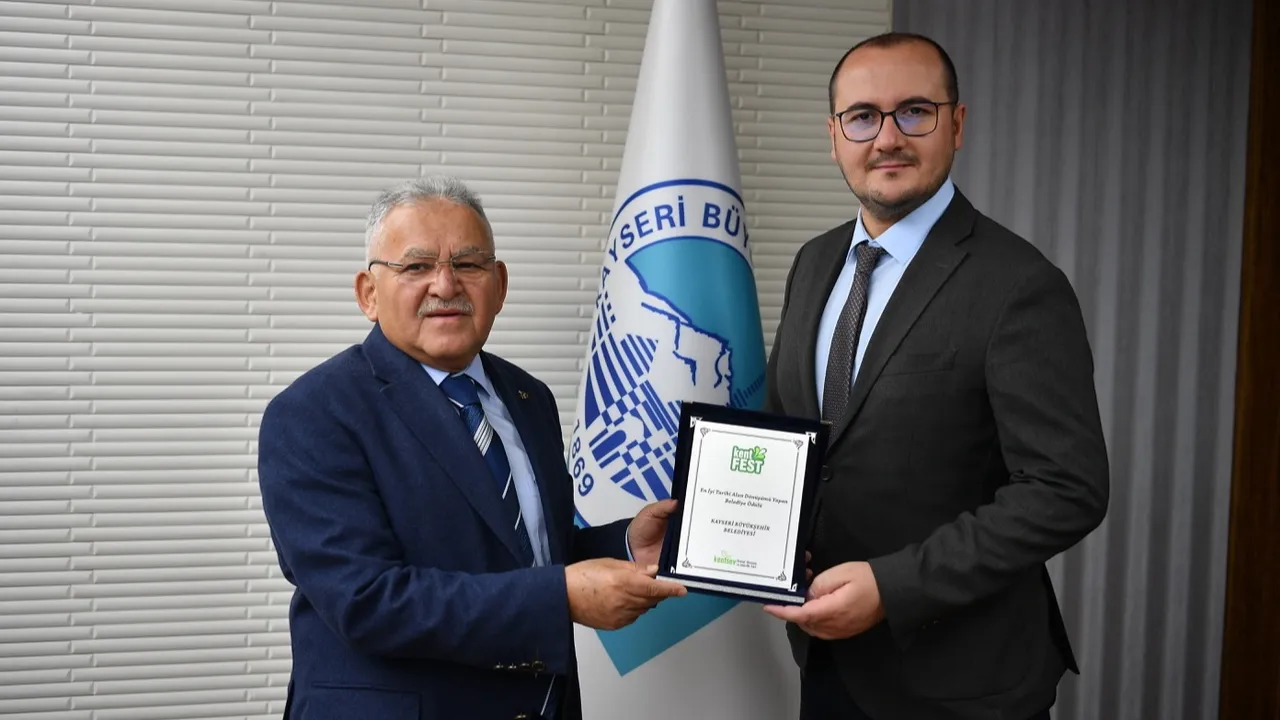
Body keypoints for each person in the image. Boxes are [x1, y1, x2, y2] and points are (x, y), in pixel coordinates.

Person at [760, 32, 1110, 720]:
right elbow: (790, 437)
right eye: (863, 117)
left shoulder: (1019, 283)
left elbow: (1066, 489)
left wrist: (894, 587)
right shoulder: (814, 262)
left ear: (957, 124)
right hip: (827, 661)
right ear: (833, 136)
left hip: (961, 683)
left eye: (914, 111)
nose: (887, 138)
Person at [257, 176, 686, 720]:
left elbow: (522, 552)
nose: (445, 284)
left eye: (468, 263)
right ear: (369, 293)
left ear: (499, 285)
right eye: (416, 266)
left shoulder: (529, 397)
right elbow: (366, 600)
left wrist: (625, 544)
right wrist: (559, 596)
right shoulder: (313, 413)